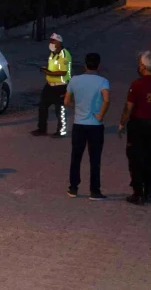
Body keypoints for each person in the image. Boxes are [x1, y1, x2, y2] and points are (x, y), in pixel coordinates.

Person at [118, 51, 151, 206]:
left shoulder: (137, 84)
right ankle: (148, 192)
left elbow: (129, 107)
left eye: (140, 63)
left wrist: (122, 123)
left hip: (138, 125)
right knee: (150, 158)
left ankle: (137, 192)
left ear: (143, 66)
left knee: (135, 159)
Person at [64, 53, 110, 201]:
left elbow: (66, 101)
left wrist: (77, 107)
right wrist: (100, 115)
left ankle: (73, 188)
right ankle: (94, 190)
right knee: (95, 159)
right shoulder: (103, 81)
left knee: (76, 157)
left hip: (79, 124)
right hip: (95, 126)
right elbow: (106, 100)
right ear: (98, 65)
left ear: (85, 64)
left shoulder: (75, 80)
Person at [31, 33, 72, 138]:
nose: (51, 43)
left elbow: (62, 72)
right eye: (50, 41)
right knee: (42, 106)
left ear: (59, 42)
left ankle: (61, 131)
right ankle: (42, 129)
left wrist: (48, 73)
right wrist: (45, 69)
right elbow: (52, 67)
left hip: (61, 86)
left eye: (53, 41)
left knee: (60, 110)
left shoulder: (64, 54)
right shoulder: (52, 53)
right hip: (49, 85)